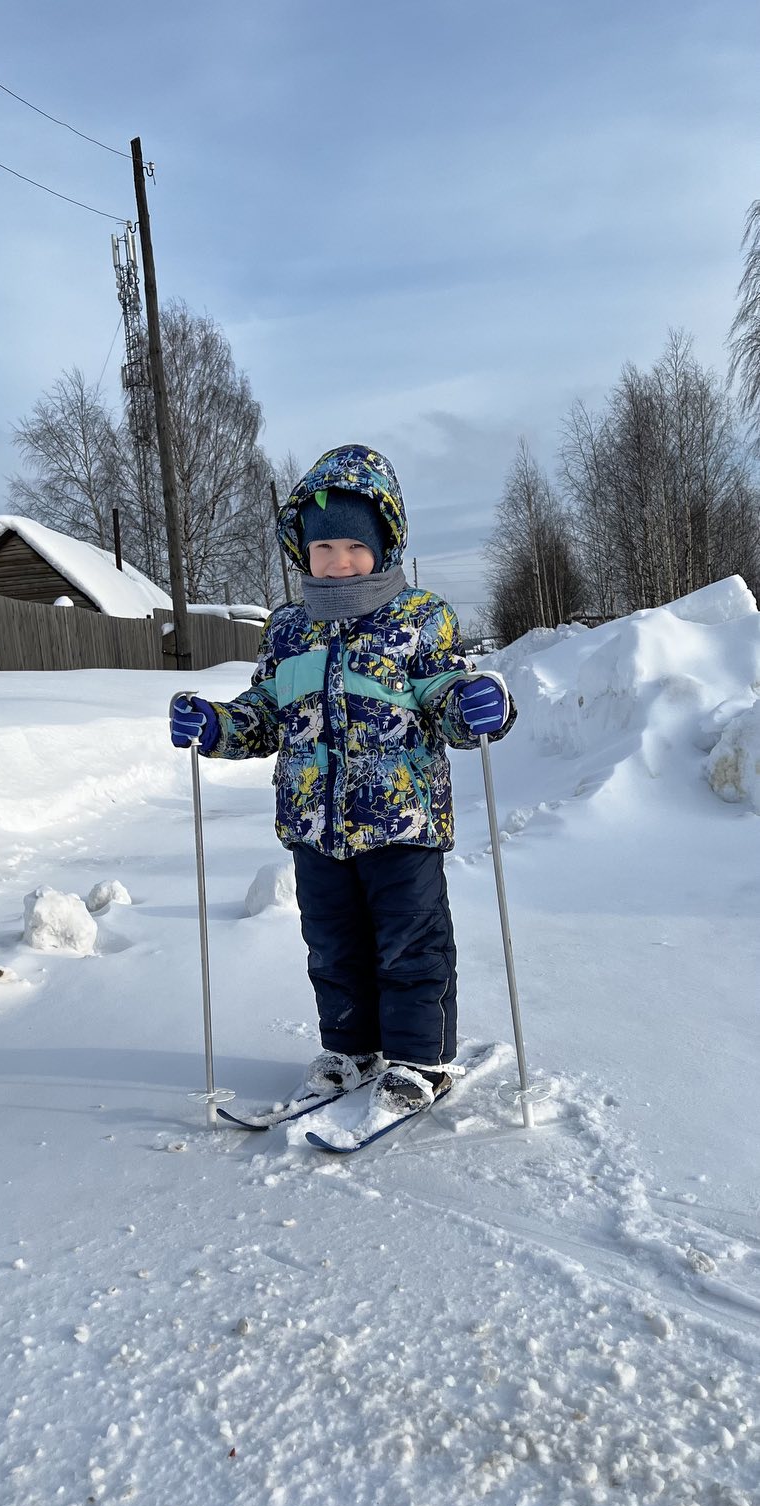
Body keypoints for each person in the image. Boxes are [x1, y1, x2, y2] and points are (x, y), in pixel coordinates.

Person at [169, 444, 516, 1113]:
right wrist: (216, 726)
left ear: (385, 545)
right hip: (315, 827)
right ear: (303, 552)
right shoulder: (288, 631)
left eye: (355, 546)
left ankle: (420, 1060)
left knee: (410, 945)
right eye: (323, 546)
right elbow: (266, 712)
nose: (338, 561)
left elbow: (445, 692)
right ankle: (351, 1048)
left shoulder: (418, 619)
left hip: (402, 824)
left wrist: (478, 708)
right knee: (332, 946)